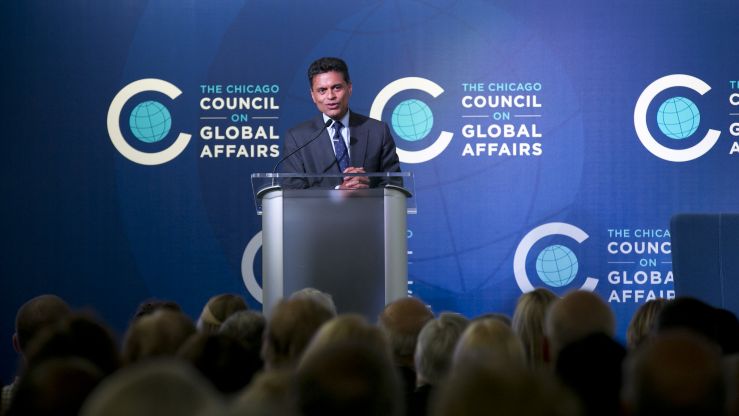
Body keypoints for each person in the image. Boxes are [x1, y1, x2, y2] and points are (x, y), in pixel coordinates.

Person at [282, 57, 400, 189]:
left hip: (367, 209)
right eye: (322, 90)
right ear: (313, 96)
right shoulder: (298, 138)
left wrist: (367, 189)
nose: (330, 96)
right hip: (319, 211)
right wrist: (338, 192)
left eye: (337, 88)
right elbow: (293, 191)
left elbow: (394, 184)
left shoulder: (378, 131)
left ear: (349, 88)